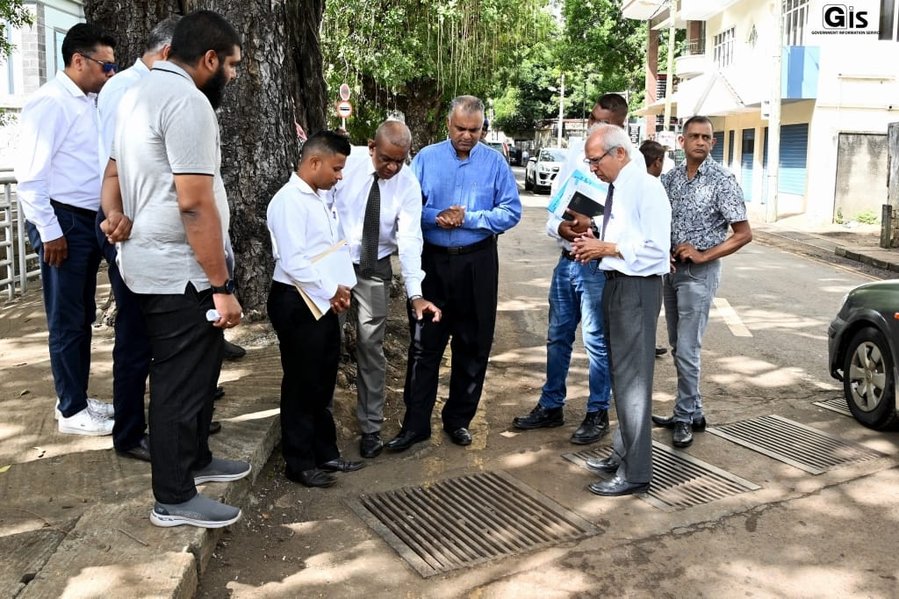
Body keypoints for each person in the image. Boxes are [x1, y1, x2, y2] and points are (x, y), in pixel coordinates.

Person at [100, 10, 250, 528]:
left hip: (151, 263)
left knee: (199, 371)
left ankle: (197, 462)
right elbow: (193, 205)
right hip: (180, 272)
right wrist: (221, 285)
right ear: (208, 59)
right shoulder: (188, 102)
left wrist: (114, 213)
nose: (232, 75)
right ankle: (173, 497)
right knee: (177, 383)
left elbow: (114, 172)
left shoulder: (136, 94)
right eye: (230, 65)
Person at [386, 95, 521, 452]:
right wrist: (437, 217)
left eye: (474, 130)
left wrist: (471, 218)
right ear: (449, 124)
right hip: (433, 261)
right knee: (423, 345)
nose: (466, 135)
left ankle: (458, 419)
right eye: (460, 128)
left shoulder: (495, 163)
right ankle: (415, 424)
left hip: (477, 262)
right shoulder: (427, 159)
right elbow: (409, 209)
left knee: (473, 345)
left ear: (482, 129)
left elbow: (511, 211)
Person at [15, 23, 117, 436]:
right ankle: (71, 410)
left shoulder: (89, 101)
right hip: (62, 222)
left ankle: (77, 396)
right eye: (106, 65)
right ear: (79, 60)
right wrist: (51, 231)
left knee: (81, 315)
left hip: (86, 219)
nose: (111, 73)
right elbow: (31, 179)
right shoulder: (50, 103)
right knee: (66, 319)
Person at [512, 93, 629, 443]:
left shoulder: (630, 165)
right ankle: (551, 405)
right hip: (566, 262)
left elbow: (629, 229)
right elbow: (553, 212)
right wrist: (564, 228)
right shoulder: (577, 158)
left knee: (596, 341)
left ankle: (597, 412)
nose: (593, 126)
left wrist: (596, 232)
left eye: (601, 122)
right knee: (557, 336)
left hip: (597, 266)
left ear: (620, 125)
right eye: (592, 119)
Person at [571, 124, 671, 497]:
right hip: (615, 285)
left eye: (595, 160)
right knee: (620, 376)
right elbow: (627, 236)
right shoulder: (620, 187)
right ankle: (623, 451)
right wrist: (595, 239)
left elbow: (657, 250)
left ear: (620, 154)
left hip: (636, 289)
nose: (592, 167)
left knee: (634, 383)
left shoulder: (646, 187)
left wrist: (607, 248)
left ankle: (636, 473)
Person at [95, 17, 179, 461]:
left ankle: (175, 415)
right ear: (167, 52)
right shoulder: (127, 90)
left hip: (148, 224)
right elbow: (115, 164)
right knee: (135, 336)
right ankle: (129, 431)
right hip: (124, 222)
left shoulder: (158, 89)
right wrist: (117, 215)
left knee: (165, 333)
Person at [332, 120, 441, 459]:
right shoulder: (345, 168)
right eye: (387, 160)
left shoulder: (407, 183)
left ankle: (370, 428)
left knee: (371, 347)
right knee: (325, 343)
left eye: (401, 160)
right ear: (371, 147)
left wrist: (415, 292)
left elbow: (409, 238)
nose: (393, 167)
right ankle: (318, 426)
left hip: (375, 266)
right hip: (334, 262)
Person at [267, 130, 365, 488]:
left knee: (323, 377)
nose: (339, 176)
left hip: (323, 298)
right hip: (296, 299)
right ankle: (299, 461)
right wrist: (332, 290)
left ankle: (325, 451)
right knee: (300, 381)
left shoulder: (319, 196)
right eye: (336, 169)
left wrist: (338, 291)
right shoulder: (289, 200)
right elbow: (294, 261)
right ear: (314, 162)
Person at [651, 116, 753, 447]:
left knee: (688, 348)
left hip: (699, 273)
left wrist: (705, 255)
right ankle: (693, 410)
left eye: (706, 137)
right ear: (681, 141)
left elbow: (743, 234)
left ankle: (683, 416)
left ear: (712, 143)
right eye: (693, 136)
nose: (700, 142)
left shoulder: (723, 181)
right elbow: (658, 219)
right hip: (671, 272)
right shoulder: (670, 180)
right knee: (679, 345)